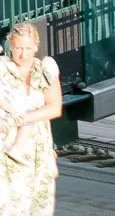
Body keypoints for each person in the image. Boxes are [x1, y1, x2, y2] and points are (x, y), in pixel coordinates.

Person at [0, 21, 61, 216]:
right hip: (7, 150)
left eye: (28, 48)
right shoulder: (2, 70)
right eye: (18, 48)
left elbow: (54, 108)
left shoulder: (45, 70)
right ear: (11, 46)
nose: (23, 54)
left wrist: (23, 118)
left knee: (40, 208)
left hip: (39, 150)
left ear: (36, 46)